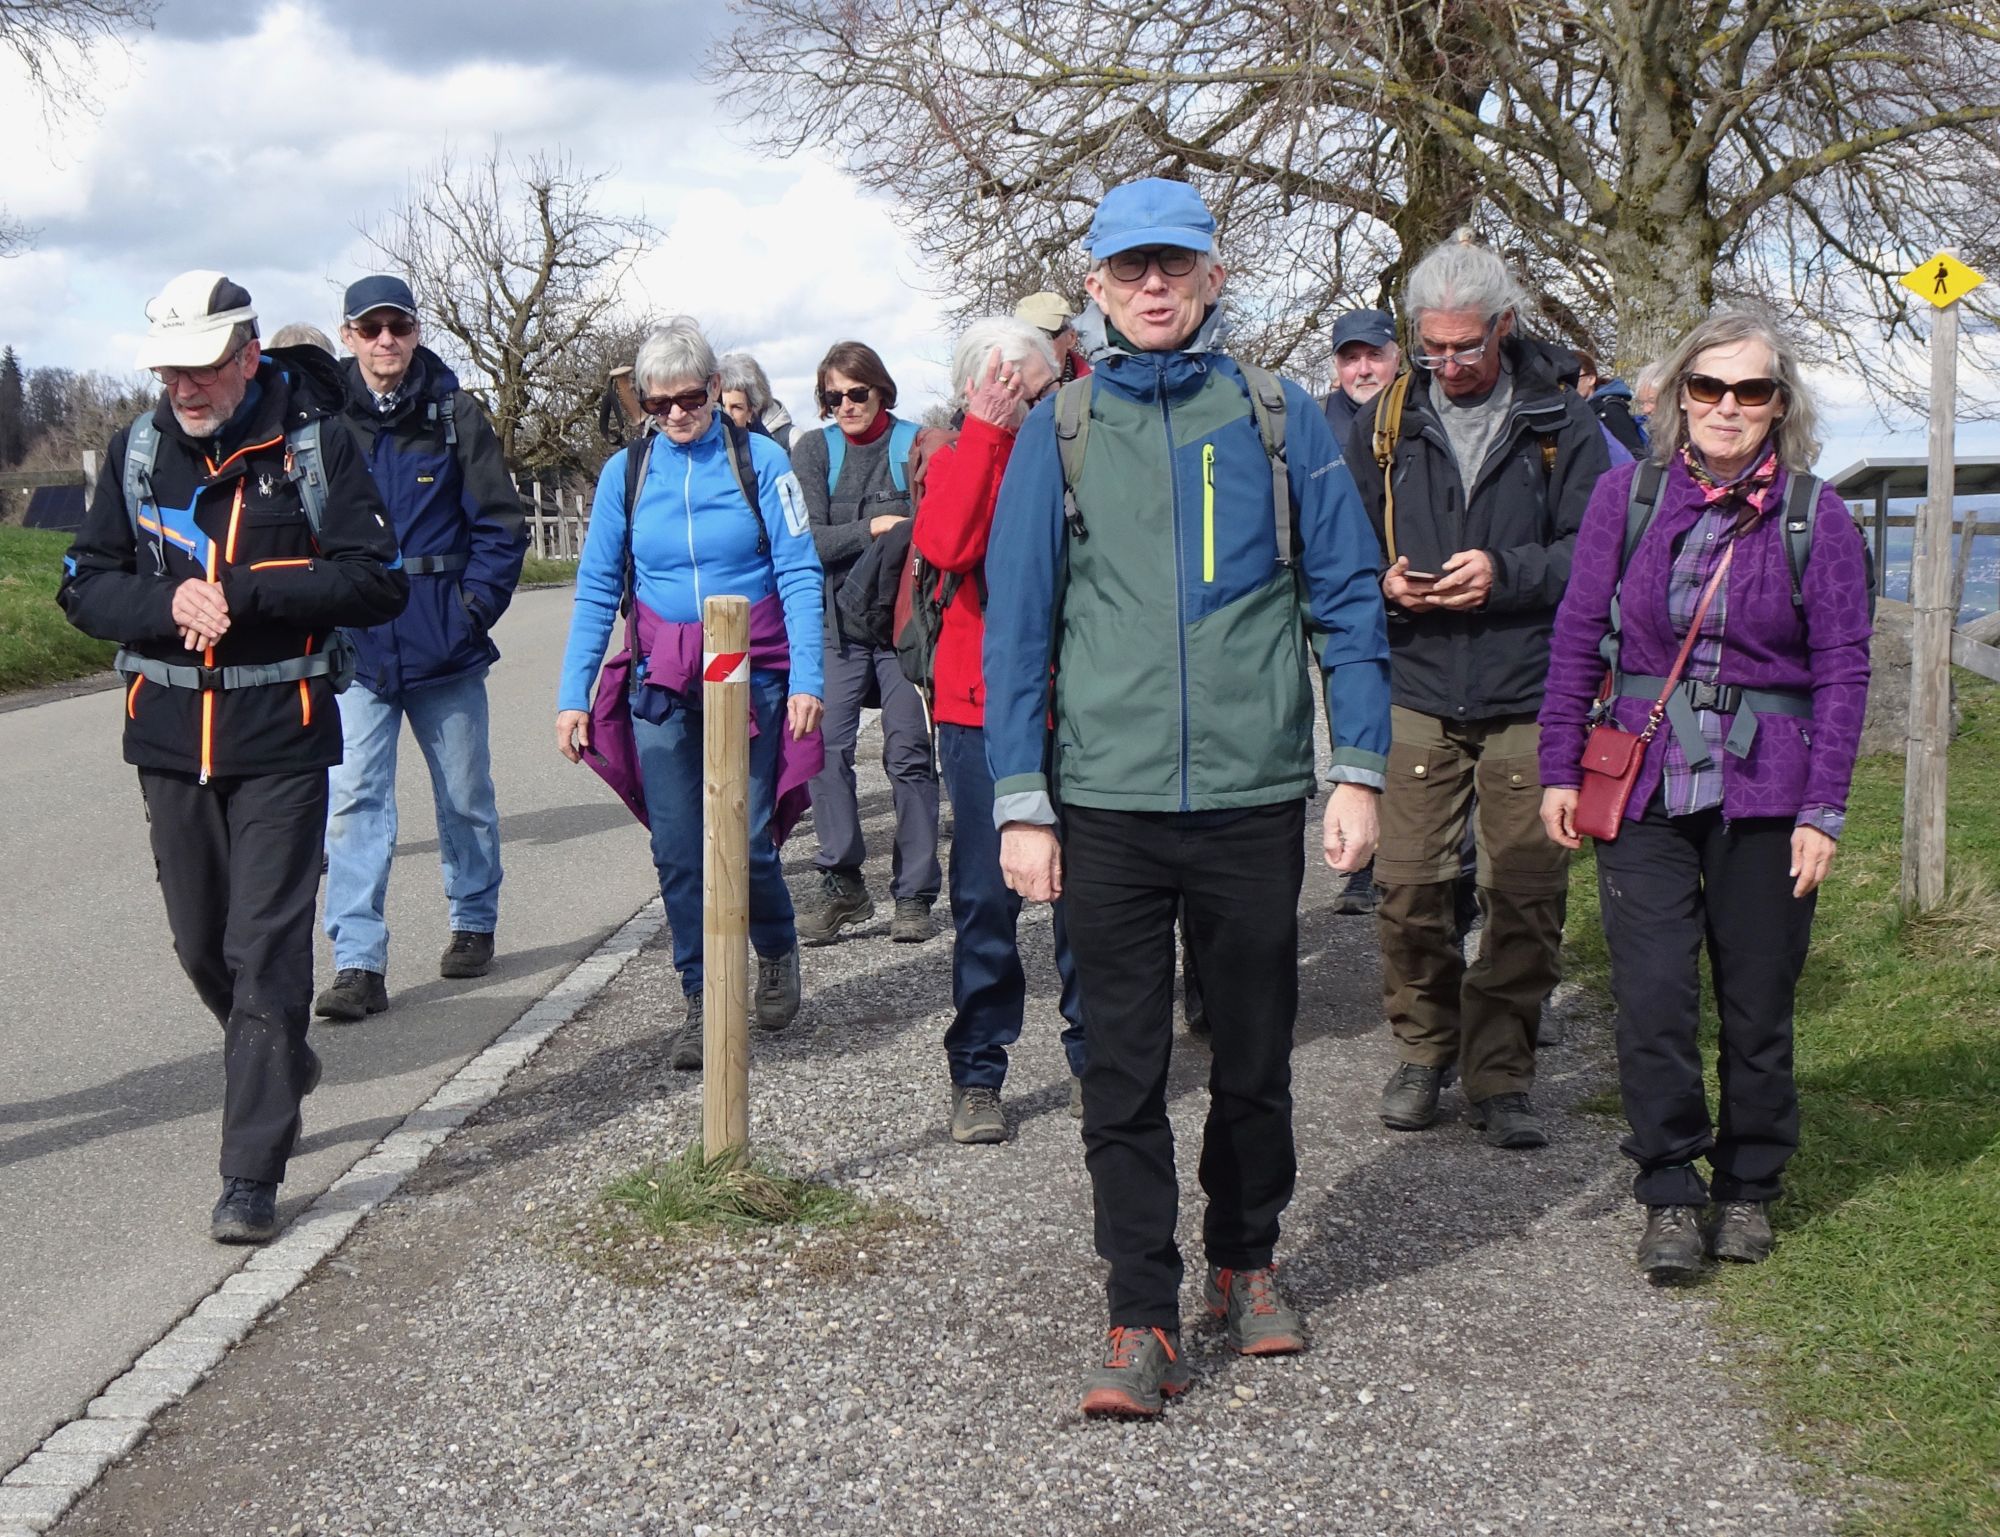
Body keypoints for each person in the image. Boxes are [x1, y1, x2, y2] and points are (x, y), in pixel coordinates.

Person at [983, 178, 1390, 1417]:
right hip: (1102, 804)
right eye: (1128, 269)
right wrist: (1018, 798)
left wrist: (1356, 770)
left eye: (1174, 265)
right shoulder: (1059, 428)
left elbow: (1347, 599)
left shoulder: (1276, 419)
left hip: (1252, 796)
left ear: (1213, 277)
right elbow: (1016, 629)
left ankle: (1246, 1262)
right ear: (1096, 287)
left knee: (1256, 1053)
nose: (1152, 286)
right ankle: (1140, 1313)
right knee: (1119, 1067)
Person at [58, 271, 407, 1241]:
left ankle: (249, 1171)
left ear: (247, 356)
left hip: (282, 737)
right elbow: (85, 587)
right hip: (166, 740)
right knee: (202, 947)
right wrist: (167, 604)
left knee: (265, 955)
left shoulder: (313, 443)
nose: (184, 386)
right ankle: (279, 1059)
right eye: (170, 368)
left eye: (202, 365)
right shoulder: (134, 452)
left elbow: (372, 584)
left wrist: (244, 592)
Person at [1538, 310, 1870, 1283]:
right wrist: (1558, 766)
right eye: (1708, 387)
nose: (1727, 407)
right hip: (1643, 782)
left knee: (1757, 1001)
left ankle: (1748, 1184)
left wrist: (1823, 811)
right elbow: (1571, 638)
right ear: (1679, 394)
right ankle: (1670, 1188)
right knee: (1648, 996)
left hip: (1768, 792)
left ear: (1778, 404)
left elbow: (1843, 670)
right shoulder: (1623, 498)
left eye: (1750, 390)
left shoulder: (1817, 515)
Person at [1346, 238, 1610, 1151]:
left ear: (1504, 325)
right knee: (1409, 886)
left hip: (1529, 687)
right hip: (1415, 681)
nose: (1449, 366)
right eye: (1433, 349)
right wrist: (1385, 581)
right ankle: (1425, 1049)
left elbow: (1595, 552)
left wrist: (1504, 571)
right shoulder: (1381, 421)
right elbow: (1339, 541)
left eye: (1466, 347)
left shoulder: (1561, 423)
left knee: (1524, 893)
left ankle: (1501, 1071)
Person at [556, 318, 825, 1067]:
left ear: (715, 389)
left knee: (745, 838)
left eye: (689, 398)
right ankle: (703, 997)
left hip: (755, 668)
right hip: (664, 675)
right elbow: (596, 587)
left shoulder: (762, 461)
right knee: (679, 849)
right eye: (658, 403)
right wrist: (572, 692)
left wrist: (808, 679)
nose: (675, 414)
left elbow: (801, 572)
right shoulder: (626, 474)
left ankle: (775, 947)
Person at [314, 276, 528, 1021]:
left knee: (465, 796)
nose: (385, 342)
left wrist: (472, 612)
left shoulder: (454, 412)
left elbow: (501, 526)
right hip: (358, 649)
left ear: (414, 330)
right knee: (355, 803)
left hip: (445, 642)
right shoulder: (321, 421)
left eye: (397, 327)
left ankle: (473, 918)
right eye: (369, 329)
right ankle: (357, 960)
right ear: (347, 335)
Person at [909, 315, 1087, 1144]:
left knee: (1089, 898)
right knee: (986, 898)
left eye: (1035, 384)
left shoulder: (1075, 442)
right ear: (977, 386)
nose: (1023, 399)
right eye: (1004, 384)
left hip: (1078, 701)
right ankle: (977, 1069)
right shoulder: (956, 453)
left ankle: (1099, 1058)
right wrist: (984, 434)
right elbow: (947, 543)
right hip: (977, 707)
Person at [791, 340, 941, 945]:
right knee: (823, 749)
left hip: (903, 630)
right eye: (833, 396)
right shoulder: (812, 450)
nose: (846, 405)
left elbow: (939, 531)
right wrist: (875, 527)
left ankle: (915, 893)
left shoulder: (918, 445)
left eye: (858, 393)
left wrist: (891, 531)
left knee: (909, 753)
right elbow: (806, 541)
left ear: (882, 391)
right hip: (837, 629)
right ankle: (842, 882)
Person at [718, 351, 794, 449]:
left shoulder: (768, 450)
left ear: (750, 411)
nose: (727, 414)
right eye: (722, 406)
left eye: (736, 407)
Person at [1014, 291, 1091, 382]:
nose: (1034, 347)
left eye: (1046, 337)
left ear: (1071, 338)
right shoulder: (999, 387)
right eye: (1024, 338)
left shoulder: (1096, 389)